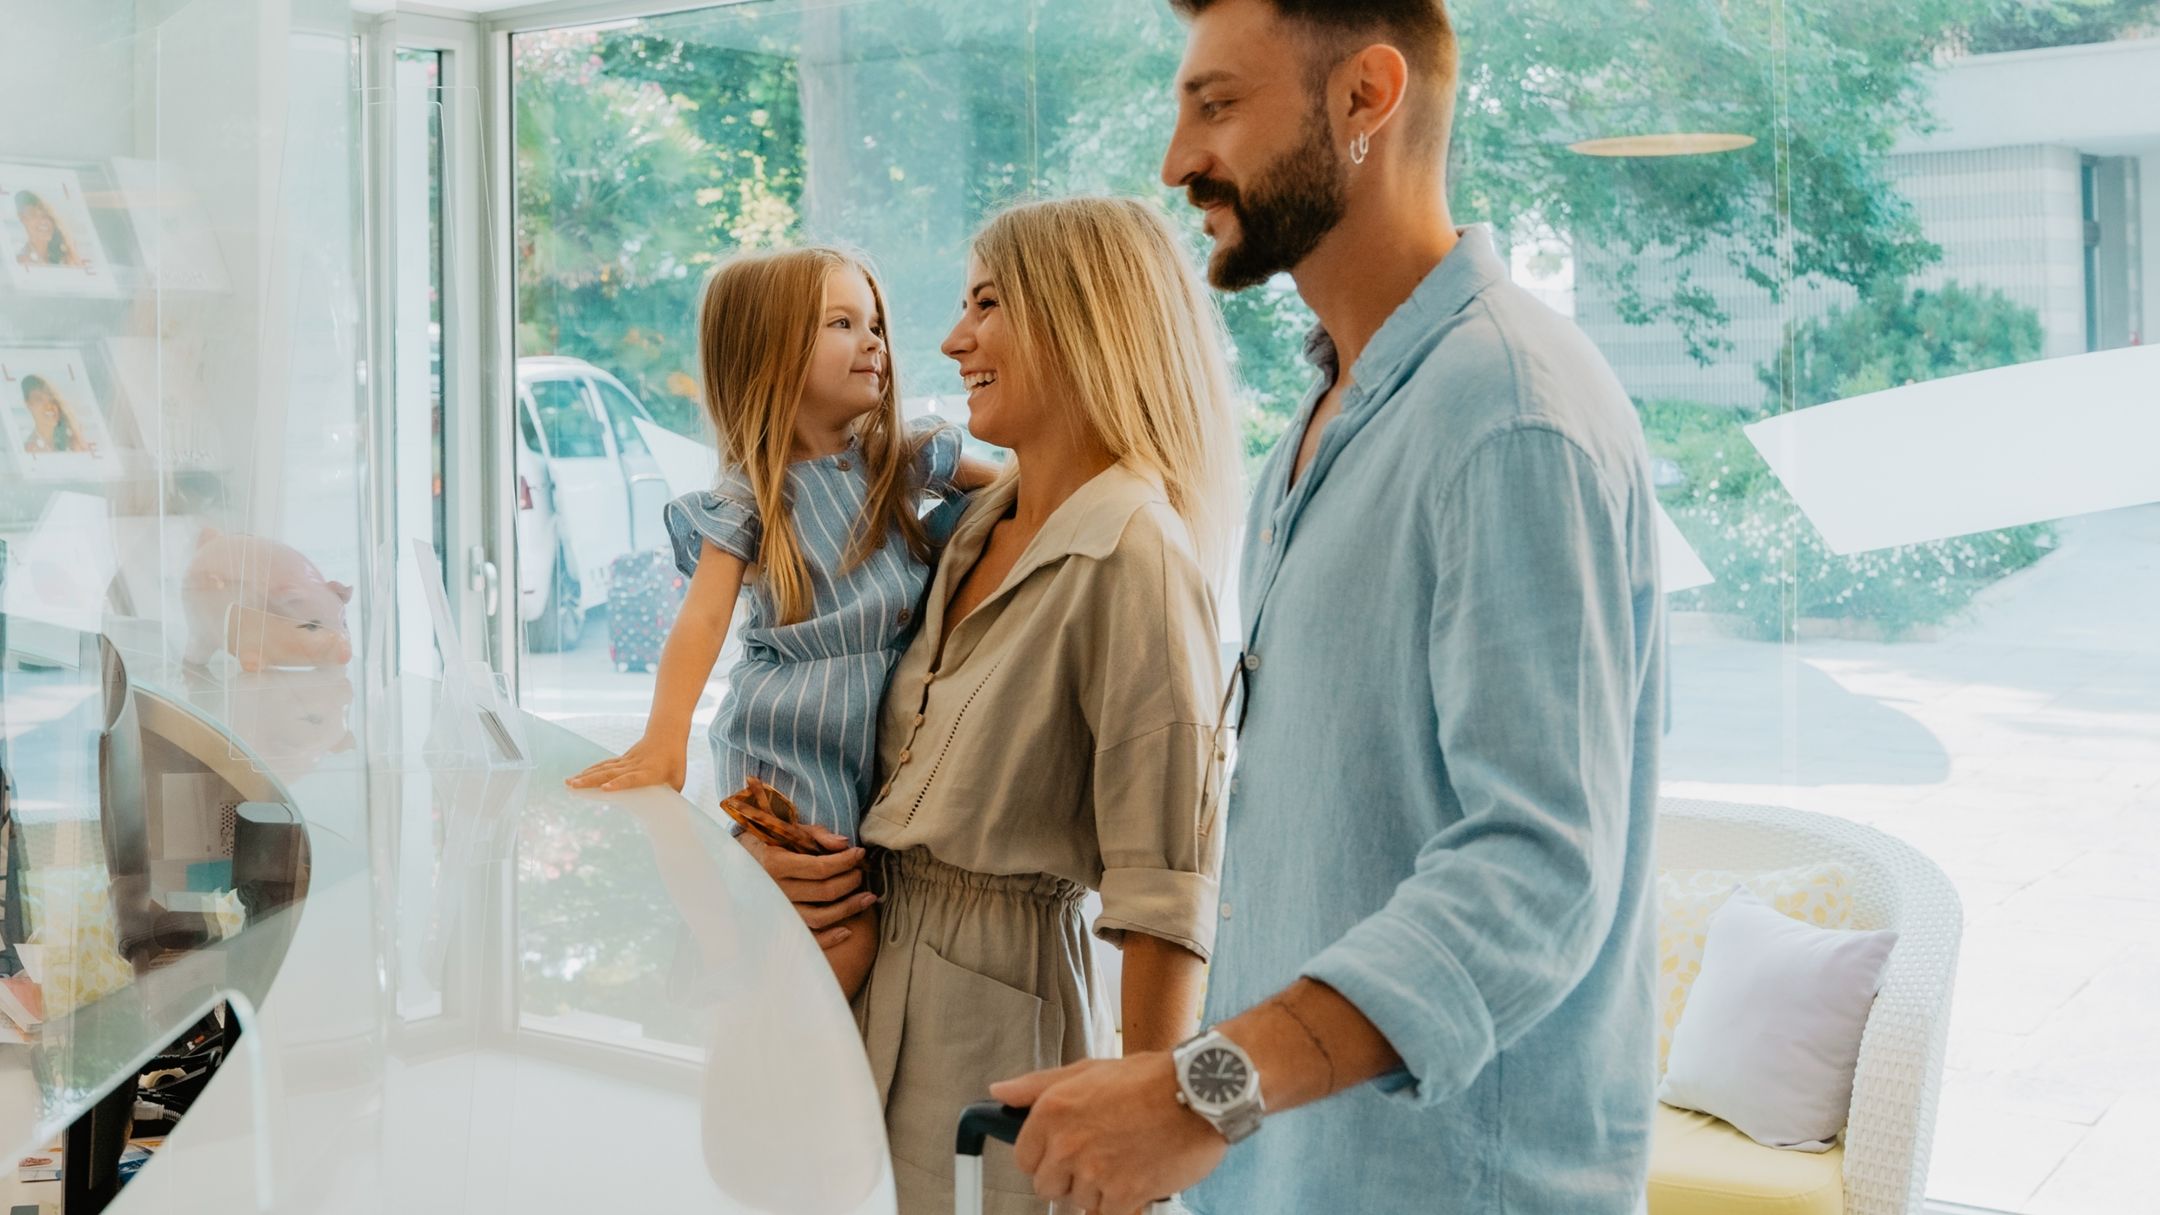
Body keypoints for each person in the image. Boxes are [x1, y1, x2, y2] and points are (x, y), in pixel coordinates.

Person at [987, 3, 1667, 1214]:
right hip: (1298, 1172)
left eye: (1218, 105)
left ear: (1366, 96)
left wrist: (1198, 1093)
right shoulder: (1325, 422)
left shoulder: (1509, 413)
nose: (1177, 161)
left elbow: (1539, 872)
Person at [745, 196, 1243, 1215]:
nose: (949, 338)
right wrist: (779, 856)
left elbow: (1165, 893)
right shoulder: (969, 526)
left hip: (996, 1036)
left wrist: (1151, 1152)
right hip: (865, 990)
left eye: (986, 304)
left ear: (1082, 317)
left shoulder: (1135, 552)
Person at [566, 245, 998, 987]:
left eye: (875, 324)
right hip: (795, 730)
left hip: (874, 718)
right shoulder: (749, 498)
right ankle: (745, 1020)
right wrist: (664, 741)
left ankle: (740, 1003)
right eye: (842, 323)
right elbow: (700, 624)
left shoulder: (903, 456)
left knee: (831, 916)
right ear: (767, 355)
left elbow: (1023, 489)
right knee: (841, 928)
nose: (875, 343)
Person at [20, 376, 94, 454]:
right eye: (39, 399)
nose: (48, 405)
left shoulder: (73, 444)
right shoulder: (29, 450)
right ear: (28, 405)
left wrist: (78, 437)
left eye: (52, 399)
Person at [14, 192, 81, 269]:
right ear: (22, 219)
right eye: (33, 214)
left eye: (46, 215)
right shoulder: (23, 262)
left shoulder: (65, 258)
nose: (43, 221)